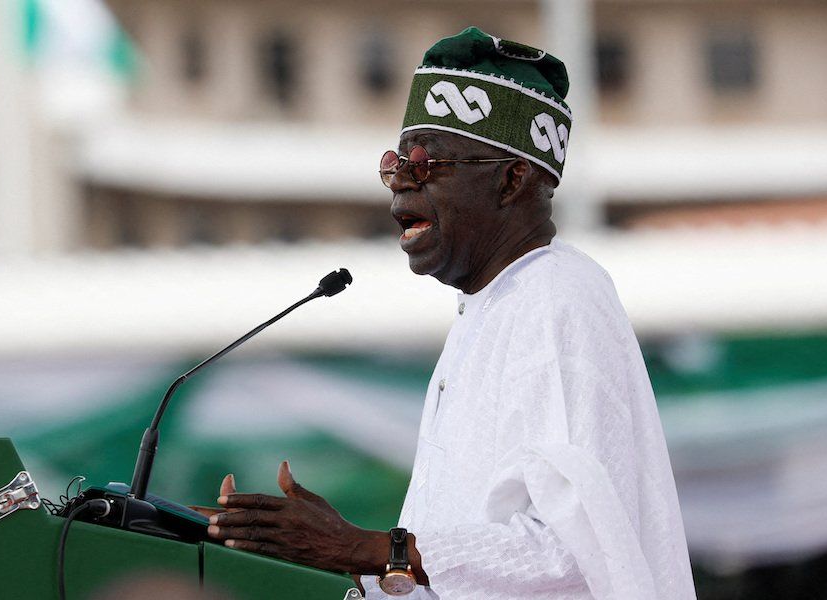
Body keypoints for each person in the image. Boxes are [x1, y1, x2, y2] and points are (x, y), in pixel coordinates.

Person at [194, 27, 696, 599]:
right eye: (395, 164)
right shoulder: (487, 307)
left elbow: (577, 552)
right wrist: (310, 548)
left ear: (512, 179)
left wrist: (360, 547)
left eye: (426, 163)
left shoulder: (559, 299)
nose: (400, 185)